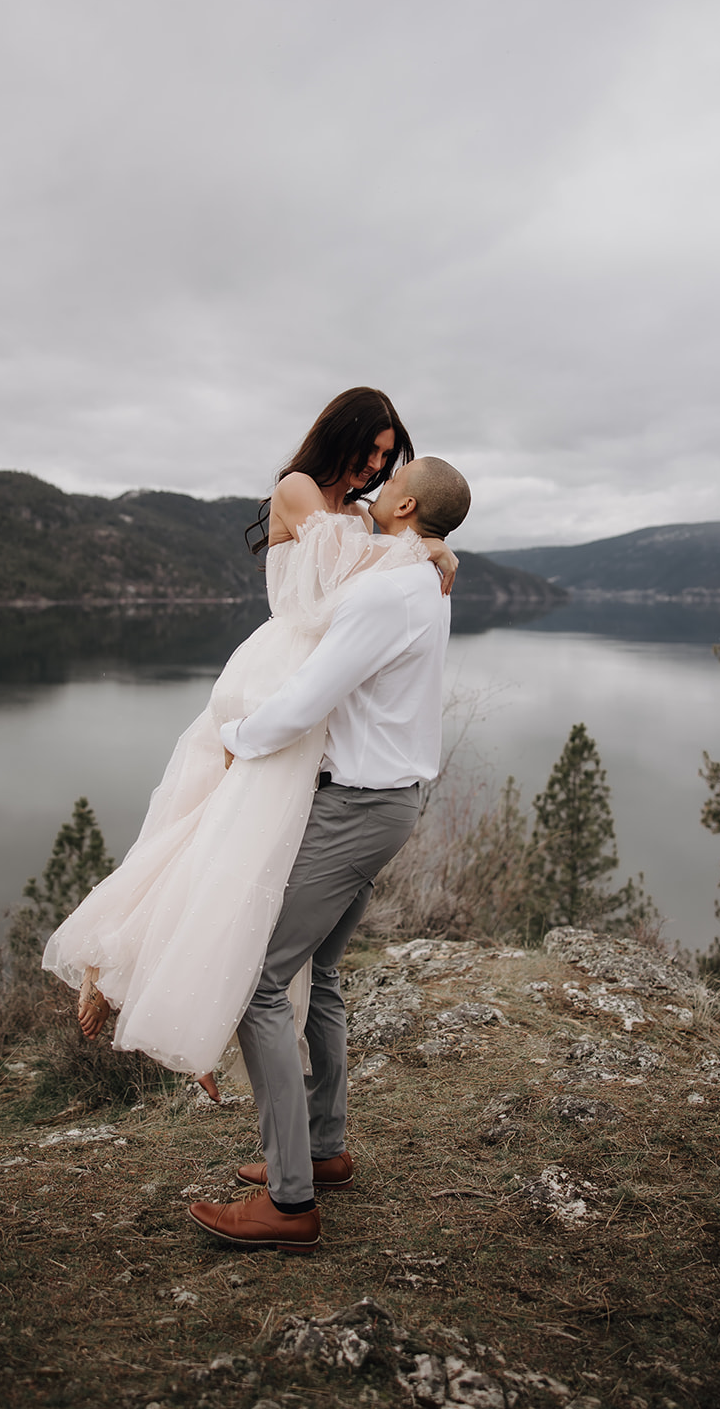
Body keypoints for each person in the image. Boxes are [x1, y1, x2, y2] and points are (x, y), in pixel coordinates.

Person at [40, 388, 457, 1091]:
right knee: (213, 837)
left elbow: (372, 567)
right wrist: (424, 549)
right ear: (341, 436)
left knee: (245, 853)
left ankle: (196, 1019)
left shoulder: (358, 515)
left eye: (389, 459)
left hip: (307, 687)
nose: (376, 469)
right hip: (274, 679)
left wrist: (419, 545)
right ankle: (117, 966)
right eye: (371, 451)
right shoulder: (298, 490)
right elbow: (334, 586)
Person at [187, 454, 471, 1254]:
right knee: (327, 974)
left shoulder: (389, 592)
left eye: (392, 477)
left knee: (261, 983)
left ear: (407, 501)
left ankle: (288, 1204)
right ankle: (323, 1149)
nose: (377, 486)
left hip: (358, 808)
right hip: (390, 802)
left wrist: (236, 738)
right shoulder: (421, 578)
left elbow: (312, 694)